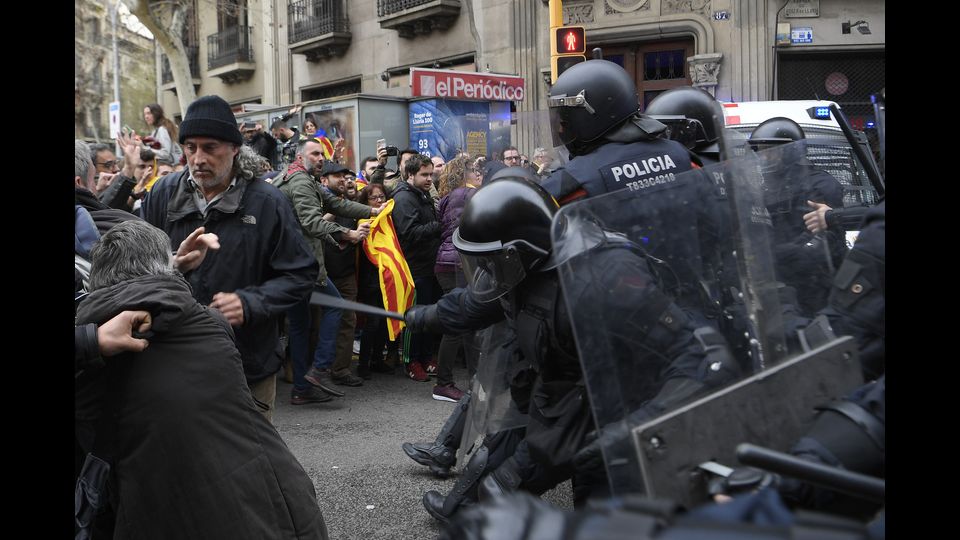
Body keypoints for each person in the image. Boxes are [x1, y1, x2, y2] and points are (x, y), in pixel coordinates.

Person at [402, 171, 736, 523]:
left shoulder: (606, 276)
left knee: (598, 508)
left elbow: (699, 357)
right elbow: (474, 303)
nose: (485, 268)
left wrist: (633, 431)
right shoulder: (520, 269)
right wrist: (423, 316)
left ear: (519, 250)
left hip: (618, 412)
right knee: (499, 482)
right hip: (562, 398)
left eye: (489, 259)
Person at [75, 220, 329, 539]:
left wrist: (88, 340)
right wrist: (172, 273)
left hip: (169, 517)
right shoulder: (209, 325)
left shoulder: (93, 357)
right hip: (280, 505)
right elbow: (166, 305)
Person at [141, 94, 320, 421]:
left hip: (247, 365)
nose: (198, 158)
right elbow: (135, 274)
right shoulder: (162, 194)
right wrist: (172, 266)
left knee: (251, 466)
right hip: (173, 363)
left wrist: (250, 303)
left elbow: (301, 274)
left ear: (235, 148)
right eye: (190, 147)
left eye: (210, 148)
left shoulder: (267, 202)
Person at [273, 137, 382, 403]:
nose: (321, 158)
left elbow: (338, 205)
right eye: (315, 154)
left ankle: (301, 389)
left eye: (322, 154)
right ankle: (320, 369)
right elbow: (312, 222)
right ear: (300, 157)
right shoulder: (300, 182)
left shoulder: (300, 178)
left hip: (291, 264)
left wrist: (373, 210)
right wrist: (348, 234)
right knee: (335, 305)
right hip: (302, 264)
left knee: (300, 325)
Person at [431, 155, 480, 401]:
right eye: (474, 169)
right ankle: (444, 384)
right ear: (464, 173)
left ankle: (474, 381)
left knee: (465, 323)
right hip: (459, 264)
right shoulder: (467, 194)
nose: (478, 174)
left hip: (448, 263)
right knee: (459, 324)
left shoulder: (449, 196)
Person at [391, 154, 443, 382]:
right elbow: (410, 233)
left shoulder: (421, 195)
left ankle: (426, 357)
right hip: (415, 268)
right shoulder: (404, 199)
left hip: (429, 266)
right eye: (424, 174)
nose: (429, 178)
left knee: (429, 316)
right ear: (410, 174)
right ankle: (411, 361)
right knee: (415, 317)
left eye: (431, 174)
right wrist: (439, 225)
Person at [355, 181, 395, 378]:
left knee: (383, 321)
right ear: (365, 201)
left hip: (385, 278)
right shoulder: (363, 221)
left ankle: (377, 359)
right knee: (372, 322)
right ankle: (363, 364)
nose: (379, 200)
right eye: (374, 197)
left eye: (382, 196)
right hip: (370, 279)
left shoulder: (387, 219)